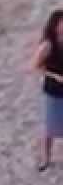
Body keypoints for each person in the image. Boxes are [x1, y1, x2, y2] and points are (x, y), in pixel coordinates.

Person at [32, 9, 63, 172]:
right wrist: (55, 76)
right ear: (55, 25)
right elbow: (35, 66)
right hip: (54, 90)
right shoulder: (48, 45)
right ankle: (46, 158)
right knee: (51, 128)